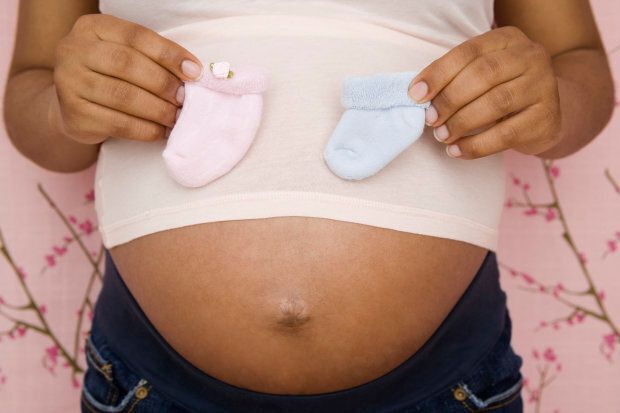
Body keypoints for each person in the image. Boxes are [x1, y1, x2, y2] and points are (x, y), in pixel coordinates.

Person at [3, 1, 614, 412]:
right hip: (153, 381)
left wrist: (550, 100)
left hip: (443, 380)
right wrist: (63, 106)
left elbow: (579, 65)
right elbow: (33, 90)